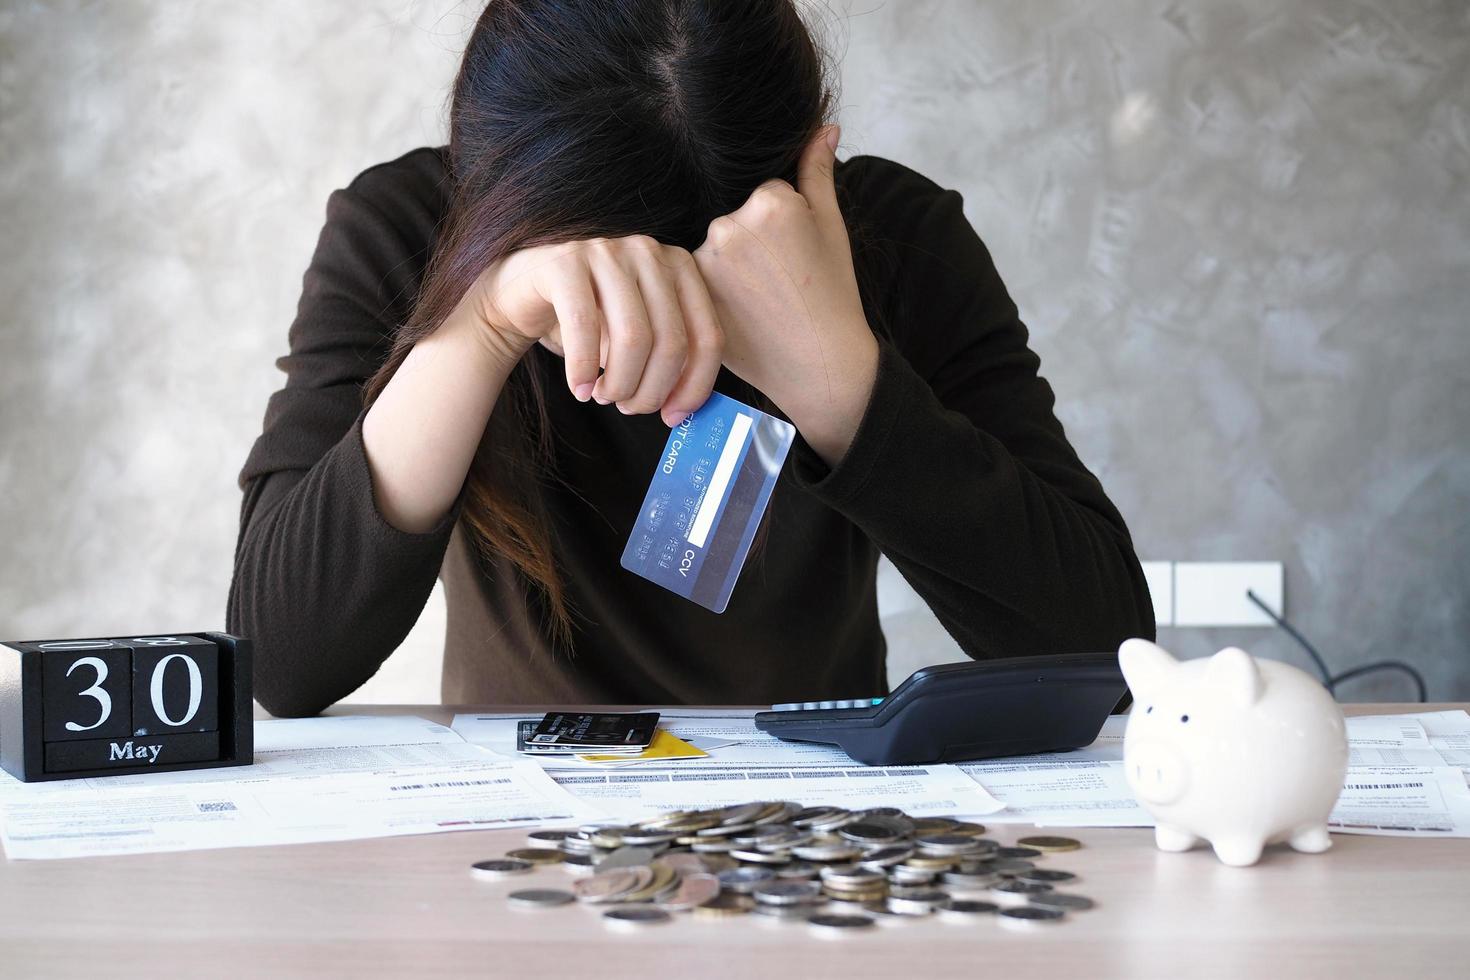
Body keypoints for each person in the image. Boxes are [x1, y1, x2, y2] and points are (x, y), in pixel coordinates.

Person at [228, 0, 1155, 717]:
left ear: (801, 166)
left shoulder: (897, 242)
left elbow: (1105, 659)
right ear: (484, 173)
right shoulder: (406, 231)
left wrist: (840, 375)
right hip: (513, 833)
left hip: (807, 823)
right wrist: (483, 328)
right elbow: (277, 661)